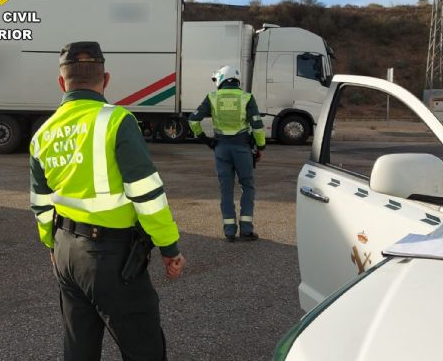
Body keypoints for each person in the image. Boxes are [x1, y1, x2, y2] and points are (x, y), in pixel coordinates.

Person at [29, 41, 185, 361]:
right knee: (144, 349)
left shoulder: (43, 133)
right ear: (106, 79)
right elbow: (147, 194)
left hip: (66, 254)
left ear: (62, 82)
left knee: (79, 348)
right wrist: (169, 247)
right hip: (110, 258)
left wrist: (51, 247)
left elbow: (41, 205)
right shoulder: (117, 121)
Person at [188, 65, 266, 242]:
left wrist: (205, 139)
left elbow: (193, 120)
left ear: (221, 79)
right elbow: (258, 127)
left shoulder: (212, 97)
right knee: (247, 186)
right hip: (242, 148)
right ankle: (246, 229)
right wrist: (260, 148)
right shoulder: (247, 97)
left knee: (226, 189)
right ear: (237, 80)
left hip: (221, 148)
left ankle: (229, 231)